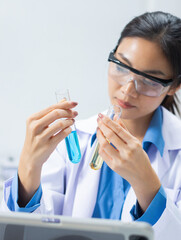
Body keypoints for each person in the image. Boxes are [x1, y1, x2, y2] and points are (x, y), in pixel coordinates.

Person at [1, 11, 181, 240]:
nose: (127, 90)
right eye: (122, 67)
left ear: (174, 85)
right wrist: (28, 167)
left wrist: (147, 186)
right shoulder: (71, 141)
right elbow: (29, 232)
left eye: (149, 81)